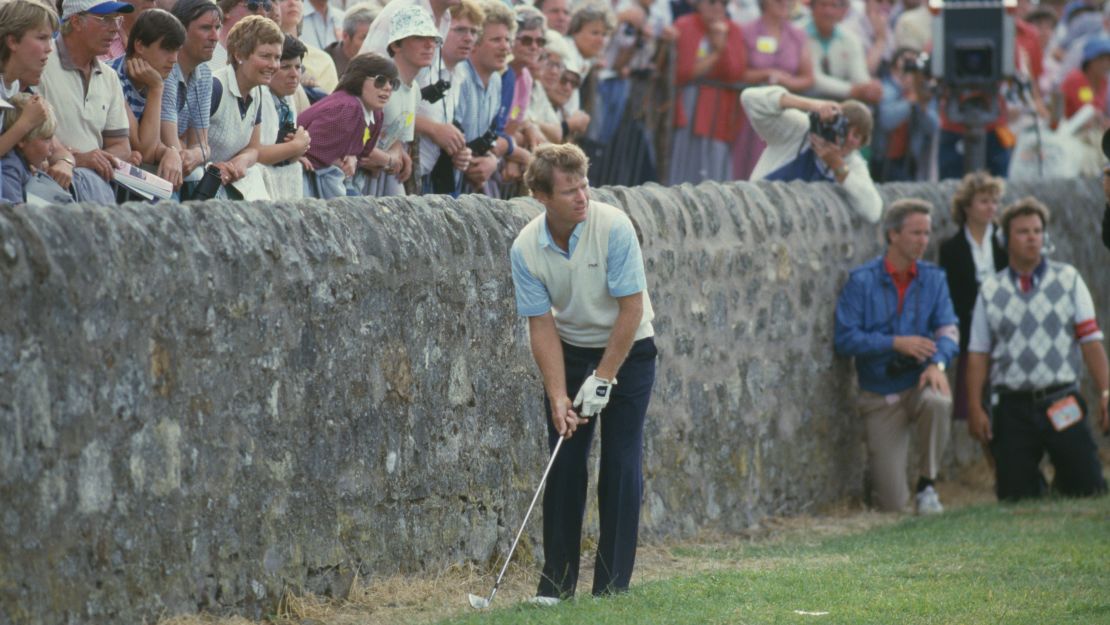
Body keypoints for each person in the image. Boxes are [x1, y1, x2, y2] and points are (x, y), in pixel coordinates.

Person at [509, 142, 657, 601]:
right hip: (571, 351)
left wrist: (605, 377)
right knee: (565, 461)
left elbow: (631, 310)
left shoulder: (613, 228)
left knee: (619, 460)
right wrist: (558, 393)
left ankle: (611, 587)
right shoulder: (526, 248)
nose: (582, 198)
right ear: (541, 196)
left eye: (584, 186)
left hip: (629, 351)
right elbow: (541, 324)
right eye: (570, 190)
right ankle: (556, 585)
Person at [965, 197, 1109, 501]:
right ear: (1005, 239)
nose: (1033, 238)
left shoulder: (1068, 279)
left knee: (1088, 488)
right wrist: (975, 408)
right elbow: (978, 353)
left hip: (1061, 399)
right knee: (1015, 495)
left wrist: (1106, 391)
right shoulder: (991, 290)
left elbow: (1090, 340)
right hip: (1012, 405)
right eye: (1023, 232)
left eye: (1038, 230)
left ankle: (1066, 475)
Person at [834, 198, 959, 514]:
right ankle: (880, 476)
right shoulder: (861, 281)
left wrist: (937, 363)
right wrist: (894, 343)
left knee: (939, 400)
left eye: (927, 233)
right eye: (916, 233)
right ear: (893, 235)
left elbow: (949, 330)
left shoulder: (934, 278)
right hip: (879, 394)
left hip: (918, 384)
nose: (923, 241)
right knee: (891, 505)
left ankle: (927, 484)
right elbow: (845, 339)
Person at [37, 0, 140, 202]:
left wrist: (91, 159)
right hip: (49, 186)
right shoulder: (40, 61)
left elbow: (122, 147)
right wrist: (81, 159)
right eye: (105, 20)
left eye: (117, 20)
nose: (115, 29)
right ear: (75, 21)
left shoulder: (109, 76)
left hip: (93, 188)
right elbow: (28, 134)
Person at [741, 84, 881, 223]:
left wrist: (837, 165)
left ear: (862, 143)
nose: (848, 139)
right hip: (757, 211)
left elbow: (874, 211)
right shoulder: (801, 128)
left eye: (856, 136)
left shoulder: (852, 162)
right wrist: (813, 105)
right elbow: (750, 99)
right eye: (845, 129)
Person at [939, 172, 1007, 422]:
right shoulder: (951, 249)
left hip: (1006, 330)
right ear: (967, 206)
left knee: (1007, 405)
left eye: (994, 201)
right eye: (984, 201)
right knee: (976, 408)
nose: (991, 208)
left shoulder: (1005, 241)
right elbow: (953, 295)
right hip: (972, 333)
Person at [733, 0, 814, 181]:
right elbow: (739, 73)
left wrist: (787, 83)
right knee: (747, 168)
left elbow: (808, 78)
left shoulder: (798, 35)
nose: (785, 2)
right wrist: (766, 73)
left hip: (787, 113)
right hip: (752, 115)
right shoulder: (746, 31)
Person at [206, 14, 285, 199]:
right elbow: (186, 143)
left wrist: (241, 161)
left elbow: (253, 148)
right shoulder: (215, 87)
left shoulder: (256, 91)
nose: (273, 65)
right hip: (201, 185)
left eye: (277, 57)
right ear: (239, 55)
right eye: (265, 56)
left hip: (230, 182)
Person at [669, 0, 747, 185]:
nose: (718, 8)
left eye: (723, 3)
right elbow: (683, 73)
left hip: (719, 111)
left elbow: (735, 72)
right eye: (712, 2)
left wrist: (722, 45)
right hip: (689, 106)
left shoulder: (733, 29)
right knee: (685, 160)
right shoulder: (685, 25)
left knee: (715, 163)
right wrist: (716, 52)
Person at [298, 52, 397, 198]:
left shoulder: (376, 113)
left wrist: (351, 156)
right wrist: (338, 161)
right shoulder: (347, 108)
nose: (388, 88)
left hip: (333, 179)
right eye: (380, 81)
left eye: (393, 83)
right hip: (305, 178)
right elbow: (310, 151)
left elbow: (364, 153)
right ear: (358, 79)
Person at [109, 8, 187, 191]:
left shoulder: (155, 77)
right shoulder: (112, 77)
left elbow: (152, 144)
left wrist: (171, 152)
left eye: (176, 50)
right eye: (167, 49)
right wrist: (156, 89)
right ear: (140, 45)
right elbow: (145, 150)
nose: (174, 59)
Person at [419, 0, 480, 195]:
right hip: (400, 171)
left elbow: (446, 127)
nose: (469, 38)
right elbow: (392, 111)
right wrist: (434, 130)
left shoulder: (461, 72)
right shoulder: (422, 65)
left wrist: (459, 151)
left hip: (429, 175)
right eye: (460, 30)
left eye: (473, 31)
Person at [166, 0, 222, 198]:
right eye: (206, 28)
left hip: (180, 166)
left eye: (217, 28)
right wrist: (190, 150)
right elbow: (170, 143)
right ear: (181, 30)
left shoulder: (205, 74)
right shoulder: (167, 68)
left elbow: (203, 145)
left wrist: (195, 154)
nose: (215, 37)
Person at [870, 46, 938, 183]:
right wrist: (910, 100)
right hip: (882, 160)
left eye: (914, 70)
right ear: (893, 69)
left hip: (910, 161)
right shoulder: (885, 88)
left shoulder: (923, 91)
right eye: (905, 69)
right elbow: (886, 121)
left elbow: (932, 127)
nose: (909, 75)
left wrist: (922, 105)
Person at [257, 34, 311, 199]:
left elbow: (287, 151)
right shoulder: (260, 94)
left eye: (298, 67)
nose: (294, 74)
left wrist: (297, 149)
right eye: (286, 66)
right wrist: (297, 146)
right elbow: (258, 154)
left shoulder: (287, 97)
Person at [1, 93, 70, 204]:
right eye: (47, 139)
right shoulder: (10, 168)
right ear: (22, 139)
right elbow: (13, 216)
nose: (52, 147)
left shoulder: (27, 165)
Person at [326, 2, 378, 78]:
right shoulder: (325, 65)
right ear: (345, 36)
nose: (371, 44)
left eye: (375, 37)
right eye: (364, 38)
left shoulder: (380, 62)